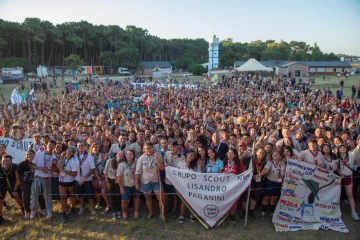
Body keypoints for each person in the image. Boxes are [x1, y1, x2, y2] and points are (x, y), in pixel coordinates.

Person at [135, 142, 164, 220]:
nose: (148, 150)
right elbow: (138, 171)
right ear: (144, 149)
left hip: (156, 180)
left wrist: (157, 160)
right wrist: (137, 183)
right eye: (146, 148)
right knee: (148, 198)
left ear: (152, 148)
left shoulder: (158, 156)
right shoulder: (141, 158)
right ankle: (151, 212)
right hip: (145, 182)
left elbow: (162, 168)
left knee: (161, 198)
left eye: (150, 148)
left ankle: (162, 213)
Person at [16, 150, 46, 219]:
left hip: (36, 180)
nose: (28, 155)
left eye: (30, 154)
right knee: (26, 195)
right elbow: (17, 172)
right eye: (27, 154)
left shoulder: (37, 162)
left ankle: (43, 208)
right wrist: (18, 180)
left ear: (34, 155)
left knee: (39, 194)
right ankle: (27, 211)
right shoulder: (23, 163)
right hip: (25, 182)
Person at [31, 141, 56, 219]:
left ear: (54, 147)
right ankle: (33, 211)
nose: (51, 146)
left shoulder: (54, 157)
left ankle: (49, 211)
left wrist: (53, 167)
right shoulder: (39, 153)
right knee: (35, 195)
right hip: (37, 177)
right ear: (46, 145)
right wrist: (41, 168)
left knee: (48, 196)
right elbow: (32, 165)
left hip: (47, 178)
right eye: (50, 144)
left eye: (53, 145)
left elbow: (55, 170)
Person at [241, 148, 267, 220]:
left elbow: (266, 169)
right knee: (245, 196)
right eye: (260, 153)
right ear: (256, 153)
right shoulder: (250, 159)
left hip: (258, 181)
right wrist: (243, 156)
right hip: (247, 180)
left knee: (255, 197)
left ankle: (251, 211)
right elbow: (241, 162)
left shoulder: (265, 162)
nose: (261, 155)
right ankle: (244, 211)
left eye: (263, 153)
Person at [337, 143, 360, 220]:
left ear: (346, 149)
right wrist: (340, 174)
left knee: (350, 195)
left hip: (348, 177)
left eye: (344, 147)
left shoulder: (350, 154)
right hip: (339, 178)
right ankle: (337, 212)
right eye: (340, 148)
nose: (342, 149)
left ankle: (353, 212)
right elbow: (334, 167)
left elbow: (356, 151)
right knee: (337, 196)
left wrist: (358, 145)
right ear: (338, 150)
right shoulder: (336, 156)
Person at [162, 141, 184, 218]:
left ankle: (174, 209)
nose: (173, 148)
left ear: (178, 147)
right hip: (167, 179)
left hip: (176, 180)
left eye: (174, 146)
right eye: (171, 147)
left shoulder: (182, 157)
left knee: (175, 196)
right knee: (166, 195)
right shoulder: (167, 154)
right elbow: (164, 161)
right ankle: (168, 208)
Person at [177, 150, 200, 223]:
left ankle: (192, 214)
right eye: (191, 155)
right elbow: (176, 174)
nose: (192, 157)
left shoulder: (197, 164)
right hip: (183, 185)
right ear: (187, 154)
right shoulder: (180, 163)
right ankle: (182, 214)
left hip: (193, 186)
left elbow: (199, 176)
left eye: (194, 156)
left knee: (192, 201)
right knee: (184, 201)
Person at [0, 155, 24, 225]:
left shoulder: (15, 167)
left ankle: (23, 209)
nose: (5, 162)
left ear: (11, 161)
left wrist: (15, 190)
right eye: (3, 161)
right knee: (0, 199)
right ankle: (0, 217)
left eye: (7, 161)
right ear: (1, 161)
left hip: (13, 182)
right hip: (1, 183)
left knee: (17, 196)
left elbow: (18, 180)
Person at [117, 150, 140, 220]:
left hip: (135, 185)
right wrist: (121, 188)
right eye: (127, 154)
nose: (128, 156)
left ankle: (136, 212)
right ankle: (124, 212)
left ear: (133, 156)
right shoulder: (122, 164)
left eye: (130, 154)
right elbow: (119, 177)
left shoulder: (136, 162)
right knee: (125, 201)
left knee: (136, 198)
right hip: (125, 186)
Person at [75, 142, 96, 216]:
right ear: (77, 147)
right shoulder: (74, 155)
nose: (80, 146)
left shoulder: (89, 156)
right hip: (77, 179)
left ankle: (92, 208)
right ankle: (81, 207)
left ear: (85, 147)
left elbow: (92, 169)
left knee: (90, 194)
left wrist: (85, 177)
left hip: (87, 179)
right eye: (79, 145)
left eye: (82, 145)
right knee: (80, 194)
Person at [261, 150, 285, 217]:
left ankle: (272, 211)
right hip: (269, 182)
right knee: (266, 197)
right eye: (274, 154)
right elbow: (266, 169)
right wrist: (260, 174)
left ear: (280, 156)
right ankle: (263, 210)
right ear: (272, 156)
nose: (275, 155)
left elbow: (284, 174)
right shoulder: (269, 163)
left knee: (274, 198)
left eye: (277, 154)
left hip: (278, 183)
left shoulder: (282, 164)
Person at [57, 146, 78, 223]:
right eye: (67, 150)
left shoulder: (73, 161)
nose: (68, 152)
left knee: (72, 195)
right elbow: (58, 166)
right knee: (63, 197)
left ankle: (73, 208)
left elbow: (74, 173)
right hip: (61, 181)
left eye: (70, 151)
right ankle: (63, 213)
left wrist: (64, 170)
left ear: (72, 153)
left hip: (70, 181)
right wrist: (60, 161)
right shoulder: (62, 158)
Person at [224, 148, 244, 223]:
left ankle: (232, 215)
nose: (229, 155)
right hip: (225, 185)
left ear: (235, 155)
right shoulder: (224, 162)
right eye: (228, 153)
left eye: (231, 153)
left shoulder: (239, 163)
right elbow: (221, 171)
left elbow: (242, 174)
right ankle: (225, 214)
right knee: (225, 200)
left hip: (234, 186)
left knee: (234, 201)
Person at [103, 151, 123, 220]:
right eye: (119, 154)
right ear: (117, 154)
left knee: (118, 196)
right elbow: (105, 172)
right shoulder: (109, 161)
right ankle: (114, 212)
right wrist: (107, 182)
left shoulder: (122, 163)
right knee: (111, 196)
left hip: (118, 181)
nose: (120, 155)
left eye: (122, 154)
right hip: (110, 180)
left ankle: (118, 210)